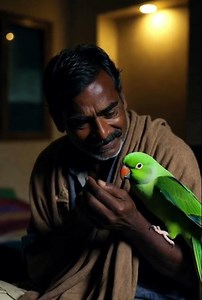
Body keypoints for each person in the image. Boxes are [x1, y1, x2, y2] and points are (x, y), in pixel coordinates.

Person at [1, 44, 201, 300]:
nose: (103, 132)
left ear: (123, 98)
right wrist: (79, 223)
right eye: (80, 122)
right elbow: (39, 270)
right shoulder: (49, 166)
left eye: (110, 112)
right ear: (58, 120)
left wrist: (134, 224)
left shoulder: (169, 153)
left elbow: (192, 274)